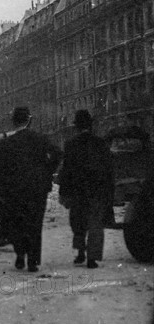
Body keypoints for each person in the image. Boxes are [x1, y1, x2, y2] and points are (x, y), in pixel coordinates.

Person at [0, 107, 62, 272]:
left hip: (14, 190)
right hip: (37, 188)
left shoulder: (7, 143)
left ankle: (20, 255)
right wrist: (47, 171)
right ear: (29, 120)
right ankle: (32, 260)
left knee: (17, 223)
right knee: (35, 224)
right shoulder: (40, 139)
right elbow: (58, 153)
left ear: (14, 122)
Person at [58, 110, 114, 269]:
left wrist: (64, 192)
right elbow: (109, 170)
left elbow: (66, 171)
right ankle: (92, 258)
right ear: (90, 125)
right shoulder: (100, 143)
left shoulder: (70, 144)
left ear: (76, 126)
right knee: (95, 223)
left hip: (77, 192)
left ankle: (80, 252)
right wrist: (109, 191)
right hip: (97, 190)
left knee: (78, 222)